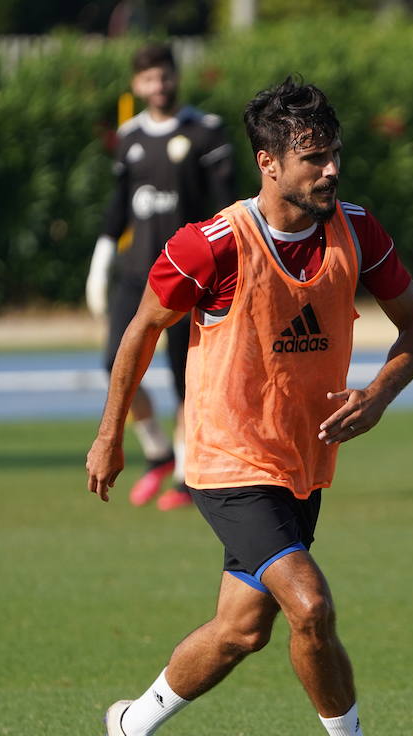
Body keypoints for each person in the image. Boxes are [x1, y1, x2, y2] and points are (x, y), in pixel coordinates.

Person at [85, 76, 413, 736]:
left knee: (243, 629)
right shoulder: (210, 246)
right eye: (314, 158)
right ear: (269, 163)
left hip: (302, 462)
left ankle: (131, 723)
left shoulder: (359, 231)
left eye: (335, 154)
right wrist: (112, 432)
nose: (331, 170)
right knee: (310, 603)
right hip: (222, 459)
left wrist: (376, 396)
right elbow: (142, 330)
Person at [85, 42, 235, 511]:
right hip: (138, 277)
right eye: (149, 78)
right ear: (137, 85)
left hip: (190, 279)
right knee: (116, 363)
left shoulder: (206, 134)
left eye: (165, 75)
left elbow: (226, 206)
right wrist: (102, 254)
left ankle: (188, 475)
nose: (159, 85)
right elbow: (119, 205)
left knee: (186, 380)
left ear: (176, 77)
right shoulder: (129, 138)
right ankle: (157, 451)